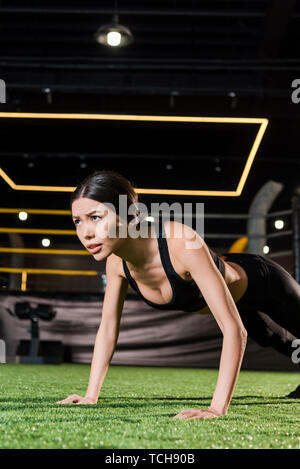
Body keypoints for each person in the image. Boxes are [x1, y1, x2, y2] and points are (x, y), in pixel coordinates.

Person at [56, 170, 300, 418]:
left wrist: (216, 409)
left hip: (263, 280)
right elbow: (107, 329)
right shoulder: (116, 264)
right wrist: (90, 395)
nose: (85, 233)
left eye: (95, 217)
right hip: (239, 298)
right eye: (78, 221)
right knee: (274, 338)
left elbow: (233, 330)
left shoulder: (181, 241)